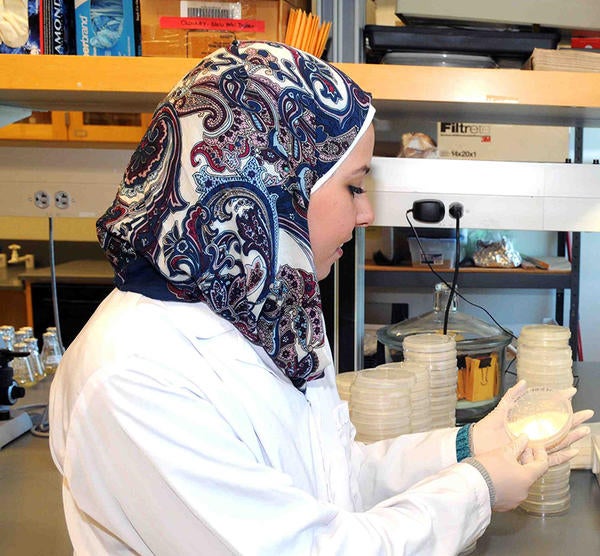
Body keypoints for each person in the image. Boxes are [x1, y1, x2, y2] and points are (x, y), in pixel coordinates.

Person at [49, 41, 593, 555]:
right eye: (354, 186)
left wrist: (464, 448)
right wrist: (478, 489)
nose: (366, 214)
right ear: (269, 184)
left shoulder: (260, 317)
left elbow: (330, 481)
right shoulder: (134, 378)